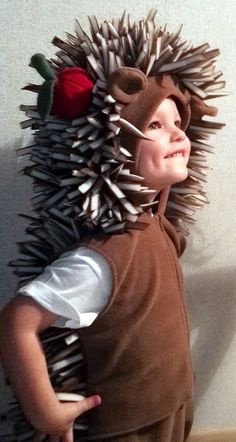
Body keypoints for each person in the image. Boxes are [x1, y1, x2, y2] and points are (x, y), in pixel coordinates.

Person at [0, 10, 224, 442]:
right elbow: (16, 322)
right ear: (110, 152)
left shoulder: (157, 226)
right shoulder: (102, 257)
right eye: (155, 125)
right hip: (126, 427)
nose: (178, 134)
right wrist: (46, 412)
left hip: (172, 406)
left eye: (179, 122)